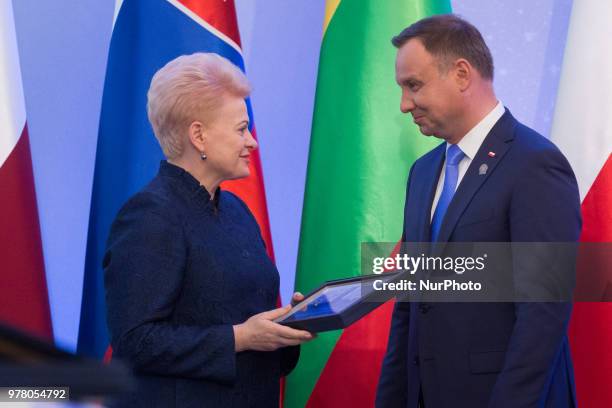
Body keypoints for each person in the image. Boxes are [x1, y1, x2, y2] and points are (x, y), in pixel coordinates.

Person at [376, 15, 581, 408]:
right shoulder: (422, 174)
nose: (404, 105)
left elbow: (543, 315)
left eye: (413, 86)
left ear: (462, 74)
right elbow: (409, 310)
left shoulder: (535, 164)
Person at [104, 52, 313, 407]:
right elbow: (135, 341)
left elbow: (246, 319)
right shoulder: (150, 215)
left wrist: (285, 327)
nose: (252, 142)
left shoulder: (237, 211)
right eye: (241, 129)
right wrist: (239, 338)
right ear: (198, 135)